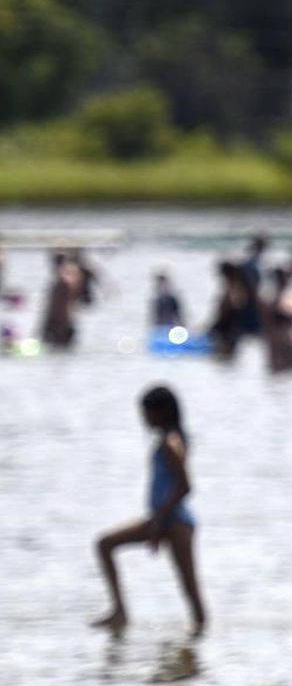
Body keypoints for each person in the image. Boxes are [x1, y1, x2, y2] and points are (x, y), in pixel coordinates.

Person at [92, 385, 206, 635]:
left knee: (190, 588)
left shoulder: (171, 443)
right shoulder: (164, 441)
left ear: (162, 412)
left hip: (176, 523)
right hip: (162, 518)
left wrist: (160, 519)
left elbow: (185, 486)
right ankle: (119, 611)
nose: (144, 420)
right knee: (104, 544)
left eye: (147, 414)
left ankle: (200, 633)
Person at [262, 265, 292, 373]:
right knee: (284, 369)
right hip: (281, 338)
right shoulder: (280, 297)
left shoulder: (278, 297)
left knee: (282, 369)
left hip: (280, 338)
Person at [38, 249, 83, 348]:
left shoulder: (63, 285)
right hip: (60, 328)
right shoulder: (62, 285)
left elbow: (58, 311)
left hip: (59, 328)